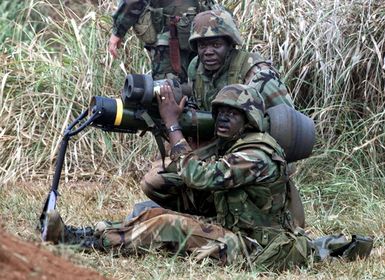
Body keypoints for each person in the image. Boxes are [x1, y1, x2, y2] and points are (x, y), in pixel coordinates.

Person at [46, 84, 310, 270]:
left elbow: (200, 177)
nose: (223, 119)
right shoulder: (237, 144)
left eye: (233, 113)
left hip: (257, 247)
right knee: (154, 214)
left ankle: (86, 243)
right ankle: (85, 233)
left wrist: (173, 127)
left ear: (249, 119)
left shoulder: (256, 153)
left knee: (169, 225)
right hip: (238, 230)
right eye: (221, 112)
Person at [139, 9, 306, 228]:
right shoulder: (196, 68)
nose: (207, 52)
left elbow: (288, 127)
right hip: (220, 152)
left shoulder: (257, 74)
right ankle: (215, 213)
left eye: (215, 45)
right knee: (156, 179)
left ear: (230, 44)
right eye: (202, 45)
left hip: (254, 159)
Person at [109, 0, 220, 82]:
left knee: (167, 90)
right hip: (204, 34)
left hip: (173, 38)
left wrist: (118, 31)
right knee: (198, 85)